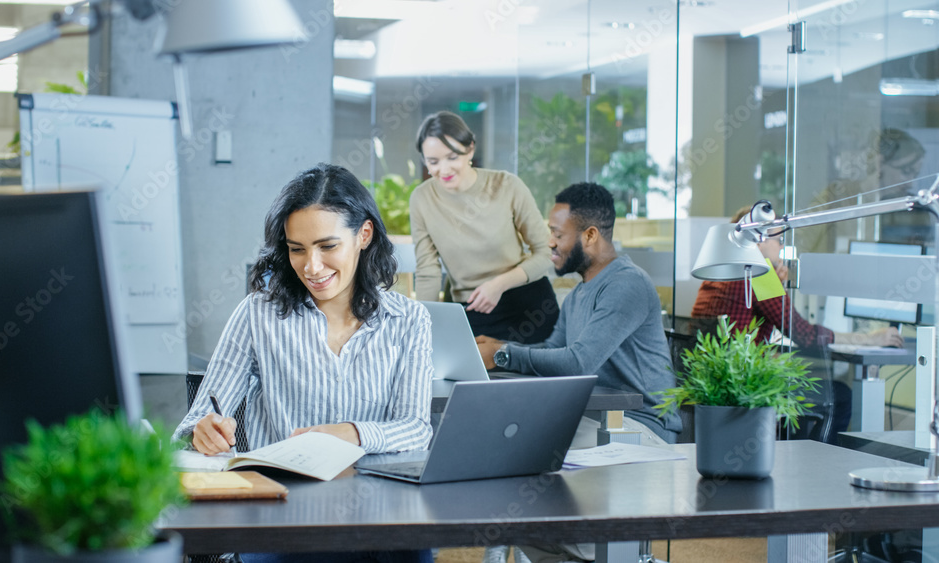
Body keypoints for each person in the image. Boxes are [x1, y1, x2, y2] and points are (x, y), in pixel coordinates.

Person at [173, 163, 434, 563]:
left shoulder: (409, 320)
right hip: (282, 513)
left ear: (363, 235)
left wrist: (352, 433)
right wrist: (202, 432)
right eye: (297, 249)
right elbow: (192, 426)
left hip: (379, 510)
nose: (311, 267)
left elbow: (416, 429)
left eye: (327, 246)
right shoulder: (257, 314)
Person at [473, 181, 682, 563]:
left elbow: (578, 362)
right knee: (510, 446)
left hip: (640, 425)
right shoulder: (581, 292)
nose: (549, 243)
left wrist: (503, 354)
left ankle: (609, 552)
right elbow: (554, 352)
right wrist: (493, 351)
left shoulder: (627, 285)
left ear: (589, 235)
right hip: (596, 417)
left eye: (556, 234)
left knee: (533, 457)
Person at [692, 206, 904, 444]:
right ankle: (817, 463)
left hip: (718, 384)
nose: (781, 246)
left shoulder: (719, 270)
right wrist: (870, 339)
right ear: (758, 241)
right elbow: (802, 334)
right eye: (779, 239)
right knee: (840, 396)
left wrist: (777, 286)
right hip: (748, 386)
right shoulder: (759, 275)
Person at [410, 110, 559, 344]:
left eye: (452, 157)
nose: (444, 170)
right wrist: (419, 327)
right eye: (433, 162)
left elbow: (545, 252)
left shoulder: (506, 185)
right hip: (471, 311)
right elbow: (428, 271)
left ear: (470, 149)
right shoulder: (422, 199)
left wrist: (498, 285)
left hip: (527, 307)